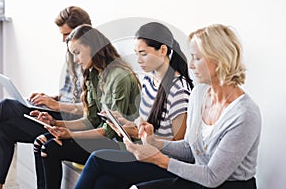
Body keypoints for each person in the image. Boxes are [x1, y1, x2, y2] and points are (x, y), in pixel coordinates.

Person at [74, 24, 262, 189]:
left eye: (197, 58)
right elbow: (189, 148)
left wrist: (157, 158)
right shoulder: (200, 94)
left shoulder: (245, 114)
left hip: (222, 185)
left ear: (219, 60)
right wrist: (154, 142)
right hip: (196, 179)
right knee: (105, 183)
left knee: (101, 164)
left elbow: (212, 177)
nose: (191, 65)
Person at [0, 6, 92, 189]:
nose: (63, 40)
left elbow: (90, 107)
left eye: (66, 35)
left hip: (73, 122)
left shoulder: (92, 59)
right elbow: (69, 93)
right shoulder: (71, 54)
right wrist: (50, 98)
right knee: (4, 128)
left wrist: (56, 105)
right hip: (59, 111)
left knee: (6, 106)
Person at [32, 24, 141, 189]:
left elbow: (109, 130)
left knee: (51, 148)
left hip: (119, 144)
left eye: (77, 53)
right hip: (103, 138)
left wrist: (70, 135)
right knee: (41, 143)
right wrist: (55, 123)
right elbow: (90, 119)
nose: (76, 60)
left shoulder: (119, 77)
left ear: (92, 47)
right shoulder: (95, 73)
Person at [107, 22, 194, 142]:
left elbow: (180, 144)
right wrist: (125, 123)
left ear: (163, 50)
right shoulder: (148, 79)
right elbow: (148, 124)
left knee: (96, 157)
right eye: (137, 54)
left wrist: (138, 134)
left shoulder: (179, 90)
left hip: (159, 158)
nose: (138, 60)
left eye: (143, 54)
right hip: (143, 150)